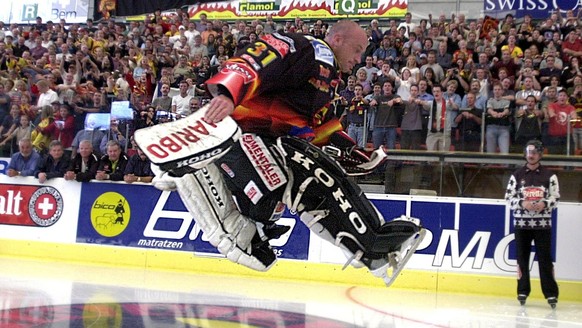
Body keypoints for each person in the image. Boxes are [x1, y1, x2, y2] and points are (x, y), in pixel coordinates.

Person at [139, 20, 424, 285]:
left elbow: (323, 127)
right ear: (337, 38)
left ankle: (369, 244)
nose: (360, 59)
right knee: (291, 179)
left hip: (278, 145)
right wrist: (229, 92)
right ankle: (195, 173)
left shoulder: (330, 77)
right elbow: (262, 55)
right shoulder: (309, 48)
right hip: (242, 134)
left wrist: (355, 154)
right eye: (358, 49)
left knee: (317, 177)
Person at [505, 140, 559, 309]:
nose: (531, 155)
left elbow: (556, 197)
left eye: (534, 152)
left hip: (543, 225)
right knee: (522, 258)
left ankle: (551, 293)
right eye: (529, 151)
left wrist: (545, 203)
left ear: (540, 154)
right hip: (522, 225)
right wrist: (522, 203)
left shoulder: (549, 176)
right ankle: (522, 290)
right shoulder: (517, 175)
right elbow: (508, 197)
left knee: (545, 259)